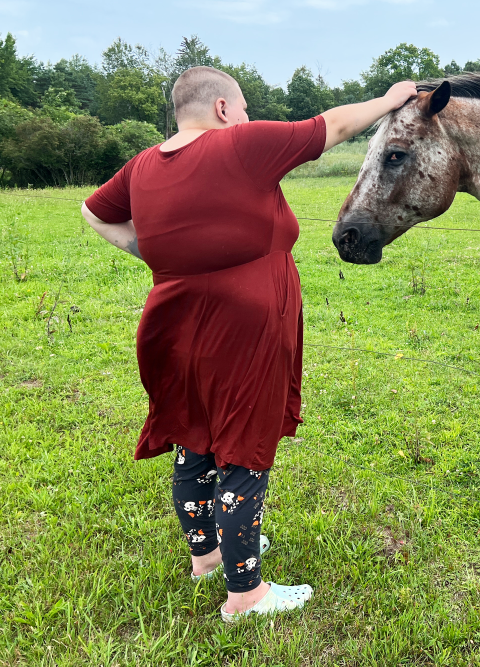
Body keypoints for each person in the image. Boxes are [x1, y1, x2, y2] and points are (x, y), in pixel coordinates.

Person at [82, 66, 417, 621]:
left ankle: (208, 558)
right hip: (244, 330)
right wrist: (388, 99)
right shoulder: (239, 145)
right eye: (241, 107)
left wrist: (154, 254)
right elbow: (328, 127)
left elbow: (94, 212)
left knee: (196, 435)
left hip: (174, 321)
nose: (245, 116)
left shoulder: (144, 164)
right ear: (221, 109)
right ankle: (246, 595)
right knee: (243, 446)